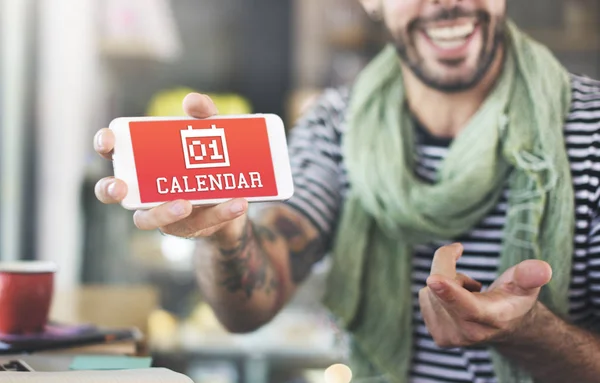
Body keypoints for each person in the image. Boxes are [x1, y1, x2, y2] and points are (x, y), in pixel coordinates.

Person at [93, 0, 600, 382]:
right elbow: (249, 305)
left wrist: (533, 333)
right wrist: (227, 234)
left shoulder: (592, 127)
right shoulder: (335, 124)